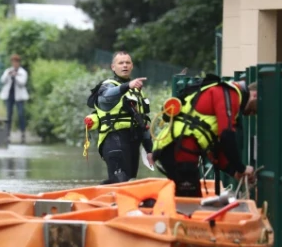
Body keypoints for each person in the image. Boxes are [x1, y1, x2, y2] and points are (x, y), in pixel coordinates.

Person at [151, 74, 258, 197]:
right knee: (189, 203)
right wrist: (241, 168)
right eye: (254, 110)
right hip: (180, 150)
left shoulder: (226, 94)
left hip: (174, 149)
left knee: (188, 198)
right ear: (254, 95)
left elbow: (215, 149)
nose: (253, 114)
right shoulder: (229, 93)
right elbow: (227, 136)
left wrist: (234, 172)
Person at [87, 51, 153, 184]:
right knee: (119, 181)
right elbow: (106, 98)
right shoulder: (107, 86)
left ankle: (115, 199)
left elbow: (143, 122)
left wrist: (149, 150)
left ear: (132, 66)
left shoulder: (137, 91)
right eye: (121, 63)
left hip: (133, 141)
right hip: (113, 139)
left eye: (127, 63)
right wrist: (127, 85)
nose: (125, 66)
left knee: (130, 182)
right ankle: (103, 195)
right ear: (113, 67)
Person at [0, 54, 29, 144]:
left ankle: (23, 132)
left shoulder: (22, 72)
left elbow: (22, 83)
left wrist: (16, 76)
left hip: (19, 97)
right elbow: (2, 81)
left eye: (16, 62)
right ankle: (7, 134)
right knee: (9, 115)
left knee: (20, 114)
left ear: (19, 63)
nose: (14, 64)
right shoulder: (8, 70)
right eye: (13, 62)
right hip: (9, 96)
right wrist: (8, 75)